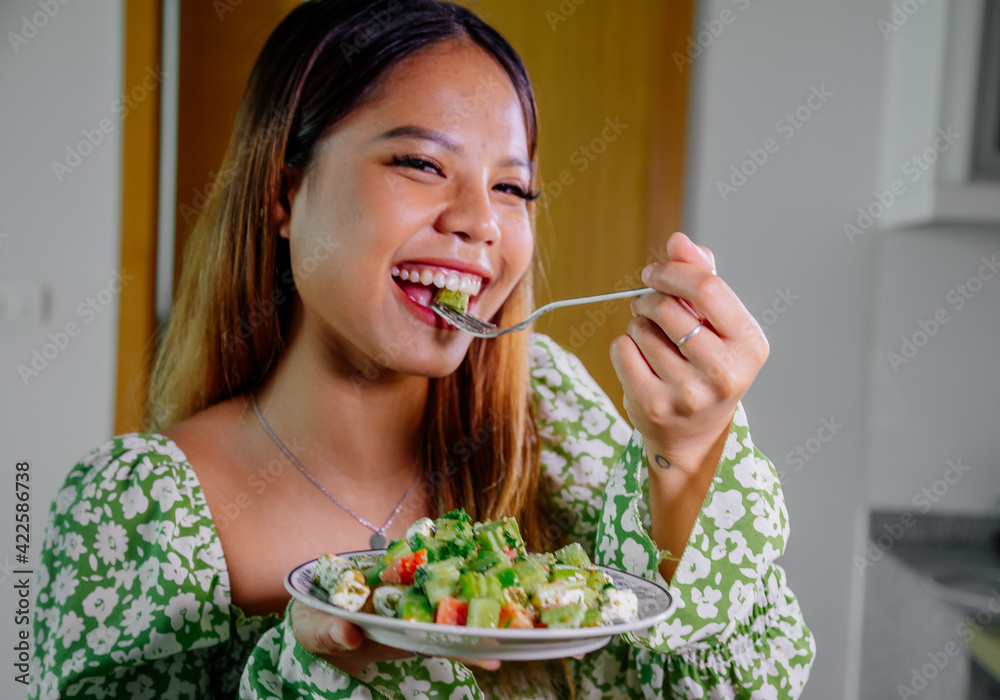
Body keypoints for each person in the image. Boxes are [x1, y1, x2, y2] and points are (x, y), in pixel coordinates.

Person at [29, 1, 814, 697]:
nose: (481, 220)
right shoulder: (137, 511)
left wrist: (688, 449)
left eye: (513, 188)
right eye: (421, 163)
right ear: (282, 191)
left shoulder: (549, 415)